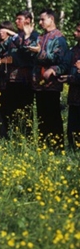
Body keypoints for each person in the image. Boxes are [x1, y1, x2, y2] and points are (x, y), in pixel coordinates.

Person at [30, 8, 69, 149]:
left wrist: (40, 52)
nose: (40, 22)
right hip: (38, 82)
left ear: (51, 19)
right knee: (41, 116)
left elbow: (62, 61)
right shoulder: (40, 37)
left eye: (42, 19)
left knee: (52, 115)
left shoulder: (59, 38)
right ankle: (43, 145)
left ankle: (57, 146)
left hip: (50, 84)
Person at [61, 22, 80, 151]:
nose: (75, 33)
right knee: (73, 126)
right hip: (74, 97)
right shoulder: (74, 50)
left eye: (78, 31)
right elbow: (64, 65)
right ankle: (73, 152)